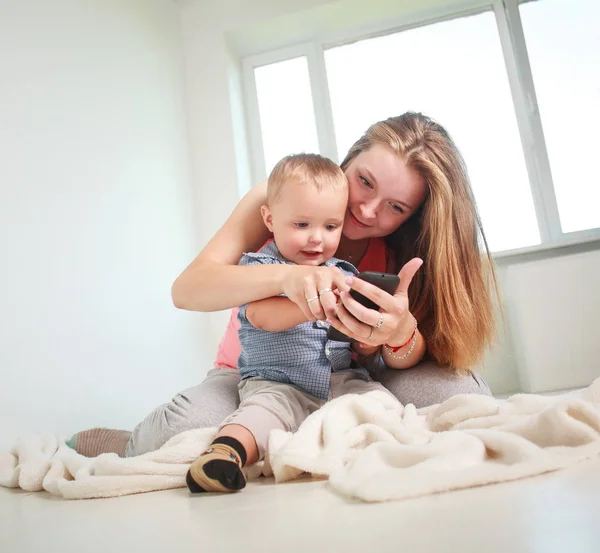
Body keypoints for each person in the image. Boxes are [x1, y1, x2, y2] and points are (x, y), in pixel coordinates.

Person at [69, 112, 497, 459]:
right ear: (348, 160)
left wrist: (399, 335)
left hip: (351, 373)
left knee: (462, 397)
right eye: (364, 181)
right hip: (256, 371)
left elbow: (415, 355)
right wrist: (288, 278)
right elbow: (187, 290)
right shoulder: (281, 200)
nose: (367, 210)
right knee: (187, 431)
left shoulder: (408, 246)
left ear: (411, 217)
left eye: (395, 206)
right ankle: (123, 443)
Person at [186, 153, 399, 493]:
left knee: (378, 401)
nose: (317, 238)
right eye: (302, 225)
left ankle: (391, 448)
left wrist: (364, 325)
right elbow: (261, 316)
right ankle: (225, 453)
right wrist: (313, 307)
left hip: (339, 377)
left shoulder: (343, 272)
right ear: (269, 219)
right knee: (260, 414)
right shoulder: (257, 266)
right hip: (279, 381)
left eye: (330, 227)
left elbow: (352, 339)